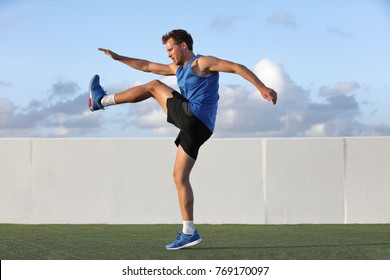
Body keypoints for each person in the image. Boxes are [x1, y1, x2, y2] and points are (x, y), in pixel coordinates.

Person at [89, 29, 277, 250]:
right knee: (179, 177)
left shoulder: (202, 63)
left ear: (184, 45)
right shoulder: (177, 69)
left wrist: (261, 87)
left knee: (153, 86)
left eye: (170, 49)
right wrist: (119, 58)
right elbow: (146, 65)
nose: (168, 54)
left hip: (194, 117)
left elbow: (236, 67)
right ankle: (189, 232)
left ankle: (101, 101)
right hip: (199, 129)